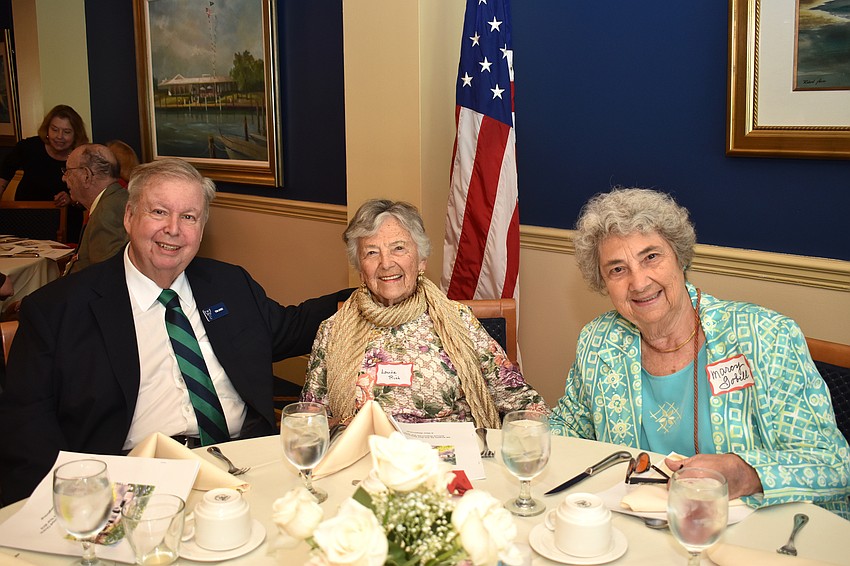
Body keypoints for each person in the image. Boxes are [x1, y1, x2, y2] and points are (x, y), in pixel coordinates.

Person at [0, 158, 351, 504]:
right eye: (158, 212)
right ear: (128, 217)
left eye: (188, 217)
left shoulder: (229, 284)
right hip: (131, 480)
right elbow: (26, 427)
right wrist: (66, 507)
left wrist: (372, 287)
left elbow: (292, 327)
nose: (173, 229)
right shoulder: (58, 310)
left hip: (245, 462)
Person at [550, 187, 850, 518]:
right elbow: (569, 426)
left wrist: (746, 473)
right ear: (603, 282)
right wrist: (524, 433)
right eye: (617, 269)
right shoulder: (600, 341)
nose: (638, 282)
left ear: (679, 257)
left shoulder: (764, 337)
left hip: (758, 534)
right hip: (635, 530)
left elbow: (832, 464)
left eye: (651, 257)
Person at [302, 199, 547, 429]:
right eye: (372, 252)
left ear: (421, 261)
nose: (386, 263)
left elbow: (522, 402)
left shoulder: (459, 321)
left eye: (399, 248)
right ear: (360, 268)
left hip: (447, 463)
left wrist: (525, 449)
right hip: (365, 463)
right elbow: (310, 419)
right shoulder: (332, 330)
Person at [0, 105, 88, 242]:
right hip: (26, 221)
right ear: (47, 129)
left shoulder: (83, 156)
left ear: (76, 134)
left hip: (66, 226)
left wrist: (71, 200)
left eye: (66, 132)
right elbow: (2, 178)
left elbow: (88, 200)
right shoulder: (29, 147)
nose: (59, 136)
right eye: (54, 130)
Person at [64, 144, 129, 273]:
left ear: (86, 176)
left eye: (68, 172)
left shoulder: (106, 213)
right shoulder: (114, 199)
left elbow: (105, 278)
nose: (64, 178)